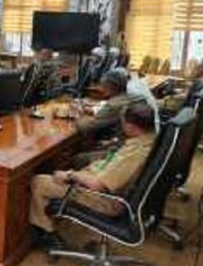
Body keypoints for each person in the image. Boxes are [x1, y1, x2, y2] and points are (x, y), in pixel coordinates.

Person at [29, 103, 156, 249]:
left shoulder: (135, 153)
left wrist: (70, 175)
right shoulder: (149, 140)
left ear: (131, 127)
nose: (121, 126)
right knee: (73, 166)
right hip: (114, 192)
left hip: (108, 201)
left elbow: (98, 185)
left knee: (39, 182)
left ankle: (47, 236)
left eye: (123, 123)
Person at [76, 68, 144, 137]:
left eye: (105, 86)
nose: (102, 89)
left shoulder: (113, 105)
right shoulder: (134, 95)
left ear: (114, 86)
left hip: (121, 135)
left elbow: (87, 126)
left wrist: (78, 117)